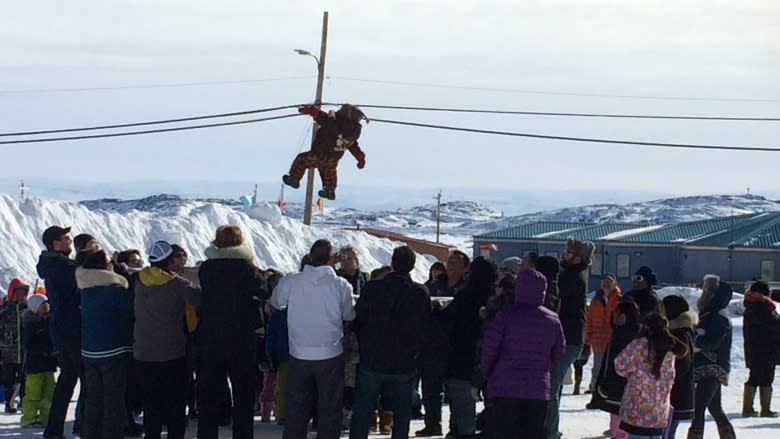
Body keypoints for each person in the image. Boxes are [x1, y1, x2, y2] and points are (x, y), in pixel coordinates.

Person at [271, 239, 356, 439]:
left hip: (298, 353)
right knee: (329, 408)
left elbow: (276, 302)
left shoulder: (292, 281)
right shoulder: (340, 285)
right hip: (330, 353)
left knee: (296, 408)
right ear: (331, 259)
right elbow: (349, 315)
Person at [350, 246, 432, 439]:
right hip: (405, 360)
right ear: (412, 266)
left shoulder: (373, 288)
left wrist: (365, 344)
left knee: (363, 410)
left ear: (392, 264)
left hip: (372, 358)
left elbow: (359, 320)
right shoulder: (420, 293)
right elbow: (426, 326)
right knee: (402, 413)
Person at [197, 226, 269, 439]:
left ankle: (207, 434)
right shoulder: (248, 269)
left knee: (209, 393)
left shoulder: (207, 269)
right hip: (241, 338)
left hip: (211, 337)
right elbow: (263, 291)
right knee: (243, 394)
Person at [481, 268, 565, 439]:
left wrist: (487, 373)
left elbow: (490, 347)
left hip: (505, 387)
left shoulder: (505, 315)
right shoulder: (552, 319)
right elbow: (558, 352)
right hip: (537, 389)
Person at [134, 241, 202, 439]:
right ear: (169, 261)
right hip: (172, 352)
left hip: (143, 352)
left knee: (151, 403)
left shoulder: (138, 280)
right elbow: (200, 300)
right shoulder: (179, 285)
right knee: (175, 404)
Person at [78, 249, 134, 439]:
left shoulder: (86, 289)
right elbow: (131, 309)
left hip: (89, 350)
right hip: (113, 349)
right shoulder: (113, 290)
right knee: (113, 401)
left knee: (93, 400)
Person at [36, 225, 84, 439]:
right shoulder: (62, 266)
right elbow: (80, 286)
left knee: (67, 379)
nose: (70, 241)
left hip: (60, 327)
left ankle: (54, 429)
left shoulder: (51, 265)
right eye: (66, 238)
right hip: (72, 326)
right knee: (87, 377)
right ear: (55, 243)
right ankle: (88, 427)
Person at [546, 238, 594, 439]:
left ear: (576, 258)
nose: (563, 255)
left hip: (567, 338)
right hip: (568, 338)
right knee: (552, 388)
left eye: (567, 252)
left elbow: (556, 302)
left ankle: (549, 433)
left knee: (551, 388)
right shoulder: (571, 276)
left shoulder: (570, 278)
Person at [443, 257, 495, 438]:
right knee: (493, 405)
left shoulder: (465, 296)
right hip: (493, 358)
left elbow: (448, 321)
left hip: (462, 357)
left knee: (462, 407)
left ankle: (460, 432)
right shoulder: (497, 298)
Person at [614, 314, 686, 439]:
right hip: (659, 412)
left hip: (636, 410)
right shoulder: (671, 346)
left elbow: (620, 365)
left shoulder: (639, 345)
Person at [282, 104, 368, 200]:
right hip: (333, 160)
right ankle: (330, 191)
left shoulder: (334, 123)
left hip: (320, 154)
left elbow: (322, 117)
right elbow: (354, 147)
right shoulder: (351, 135)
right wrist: (360, 158)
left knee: (301, 160)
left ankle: (294, 178)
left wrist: (311, 110)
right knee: (328, 173)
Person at [688, 275, 736, 439]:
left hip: (713, 368)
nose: (704, 294)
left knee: (698, 407)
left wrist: (695, 340)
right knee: (714, 407)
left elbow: (712, 342)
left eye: (708, 291)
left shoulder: (719, 316)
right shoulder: (708, 313)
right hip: (705, 367)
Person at [595, 300, 641, 439]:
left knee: (619, 423)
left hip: (618, 388)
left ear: (623, 316)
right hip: (633, 390)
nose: (613, 316)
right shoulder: (638, 332)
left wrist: (604, 386)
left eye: (616, 313)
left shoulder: (621, 335)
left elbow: (613, 365)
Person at [742, 280, 780, 418]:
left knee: (756, 376)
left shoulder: (752, 305)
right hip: (765, 348)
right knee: (765, 378)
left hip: (756, 348)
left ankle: (750, 408)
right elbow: (773, 325)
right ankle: (763, 409)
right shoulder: (761, 306)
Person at [661, 295, 698, 439]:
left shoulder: (680, 333)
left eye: (663, 307)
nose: (661, 310)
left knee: (667, 432)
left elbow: (683, 363)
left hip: (677, 391)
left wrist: (667, 378)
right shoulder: (679, 329)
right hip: (677, 390)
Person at [21, 294, 56, 428]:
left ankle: (45, 417)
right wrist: (44, 350)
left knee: (49, 392)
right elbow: (29, 345)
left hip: (48, 364)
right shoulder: (31, 324)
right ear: (36, 308)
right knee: (33, 393)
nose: (46, 307)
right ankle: (29, 417)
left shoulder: (49, 321)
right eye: (43, 305)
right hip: (35, 365)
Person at [584, 274, 622, 399]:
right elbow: (588, 319)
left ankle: (609, 390)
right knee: (597, 365)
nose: (605, 284)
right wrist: (588, 335)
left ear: (615, 284)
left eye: (609, 282)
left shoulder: (619, 299)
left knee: (611, 366)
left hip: (612, 339)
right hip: (597, 339)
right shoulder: (596, 300)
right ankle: (594, 388)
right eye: (603, 282)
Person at [1, 278, 30, 413]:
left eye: (23, 293)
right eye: (17, 292)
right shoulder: (4, 310)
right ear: (12, 293)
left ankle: (24, 402)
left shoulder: (28, 309)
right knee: (9, 380)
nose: (21, 296)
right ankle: (9, 402)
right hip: (8, 351)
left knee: (25, 377)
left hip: (25, 350)